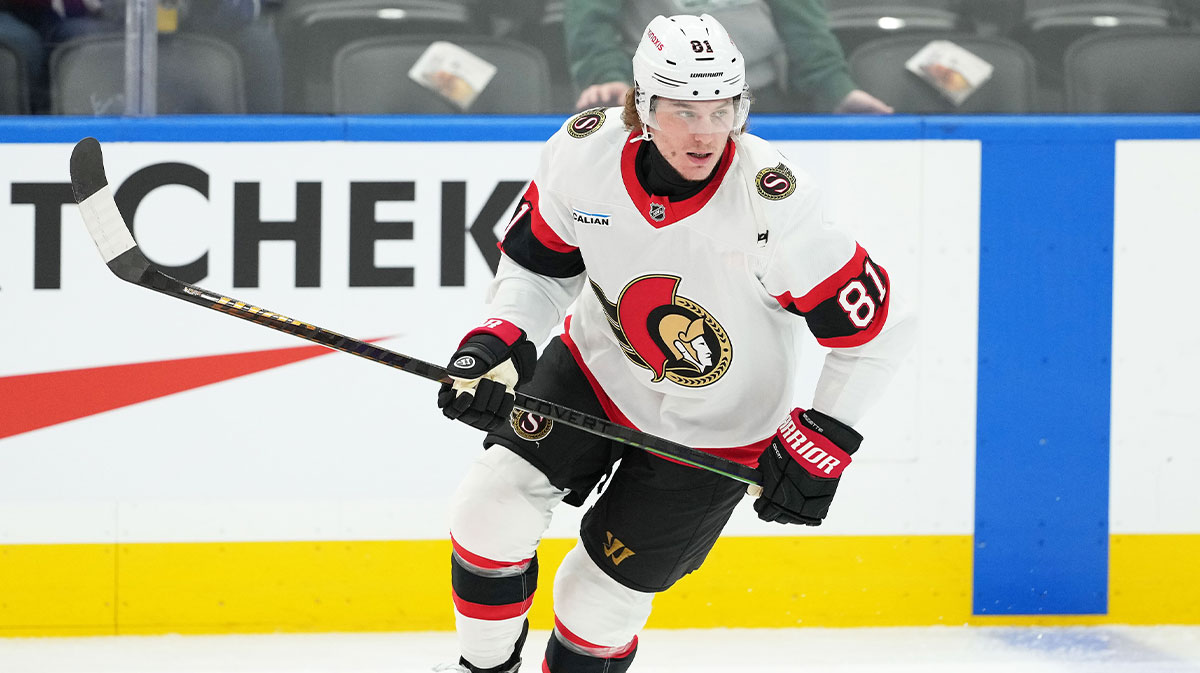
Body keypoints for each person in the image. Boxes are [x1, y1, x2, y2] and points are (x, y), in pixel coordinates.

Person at [435, 13, 913, 673]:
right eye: (684, 110)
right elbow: (540, 265)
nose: (705, 133)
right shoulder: (584, 152)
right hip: (597, 369)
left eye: (722, 110)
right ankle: (482, 669)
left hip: (719, 429)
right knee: (490, 508)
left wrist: (825, 437)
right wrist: (502, 336)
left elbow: (883, 330)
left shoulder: (776, 204)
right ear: (642, 106)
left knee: (594, 602)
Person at [567, 0, 893, 114]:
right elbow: (590, 19)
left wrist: (835, 88)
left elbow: (802, 22)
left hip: (757, 96)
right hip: (662, 97)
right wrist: (605, 75)